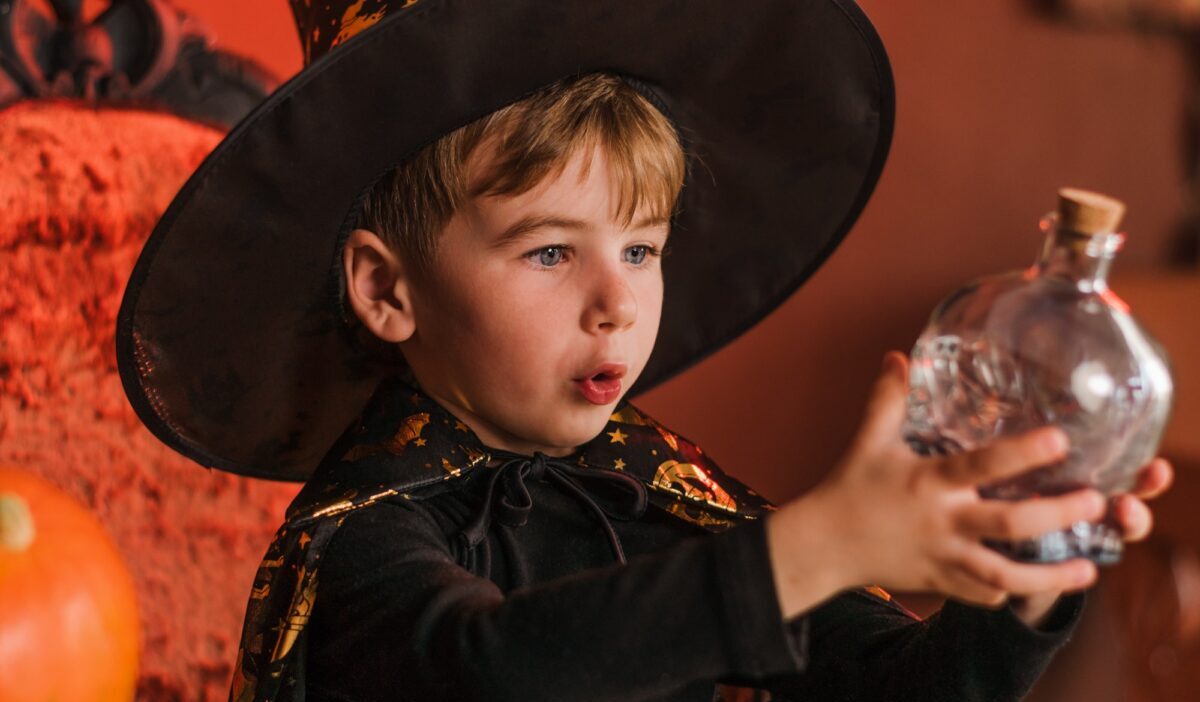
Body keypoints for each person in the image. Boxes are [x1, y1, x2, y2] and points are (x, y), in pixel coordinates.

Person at [114, 1, 1174, 701]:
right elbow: (494, 671)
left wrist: (1036, 574)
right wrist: (822, 545)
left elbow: (897, 688)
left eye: (641, 246)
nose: (617, 301)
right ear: (390, 291)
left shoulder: (659, 493)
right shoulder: (361, 548)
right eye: (547, 253)